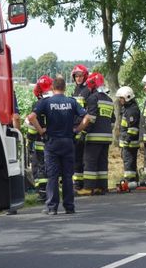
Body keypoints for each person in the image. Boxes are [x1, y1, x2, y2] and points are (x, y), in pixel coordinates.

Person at [28, 77, 88, 215]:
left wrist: (41, 131)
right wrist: (77, 130)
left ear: (52, 88)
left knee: (53, 176)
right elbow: (87, 117)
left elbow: (31, 117)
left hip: (52, 143)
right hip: (68, 142)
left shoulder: (46, 102)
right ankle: (69, 206)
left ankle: (52, 207)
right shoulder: (71, 102)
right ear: (64, 88)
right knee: (67, 176)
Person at [78, 72, 115, 195]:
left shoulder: (93, 98)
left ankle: (88, 188)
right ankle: (101, 187)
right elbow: (113, 120)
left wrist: (83, 132)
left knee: (90, 161)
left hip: (94, 137)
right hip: (107, 137)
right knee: (102, 162)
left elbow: (91, 118)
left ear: (92, 85)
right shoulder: (109, 100)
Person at [25, 76, 53, 202]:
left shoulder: (38, 104)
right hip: (55, 141)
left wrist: (29, 140)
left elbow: (32, 128)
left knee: (40, 167)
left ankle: (42, 194)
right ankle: (53, 191)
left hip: (40, 142)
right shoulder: (57, 102)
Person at [70, 64, 91, 192]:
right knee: (75, 157)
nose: (78, 78)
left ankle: (79, 184)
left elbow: (88, 112)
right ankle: (77, 182)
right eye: (76, 76)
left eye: (80, 76)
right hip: (74, 128)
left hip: (82, 128)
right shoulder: (75, 90)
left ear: (85, 76)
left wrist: (83, 129)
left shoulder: (87, 91)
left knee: (80, 157)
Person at [116, 86, 140, 184]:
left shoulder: (131, 110)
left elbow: (133, 128)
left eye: (121, 98)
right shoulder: (127, 109)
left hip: (130, 143)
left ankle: (130, 180)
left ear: (127, 97)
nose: (120, 100)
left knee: (129, 162)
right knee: (130, 162)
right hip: (127, 142)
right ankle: (134, 180)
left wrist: (127, 140)